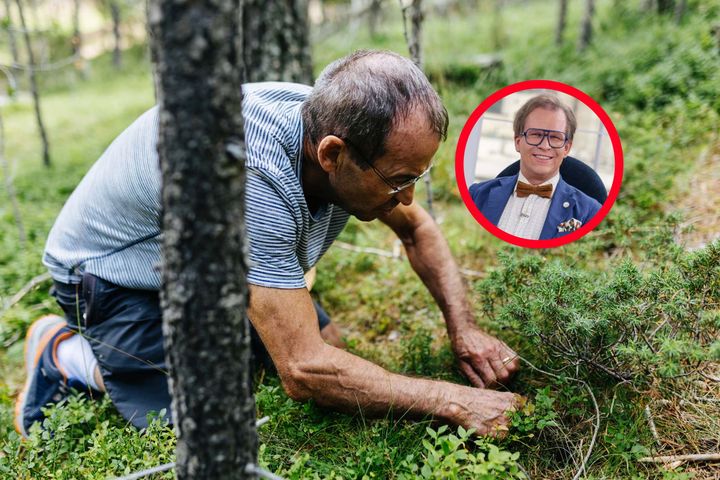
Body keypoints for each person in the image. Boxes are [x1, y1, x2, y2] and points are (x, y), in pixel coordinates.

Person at [15, 50, 520, 439]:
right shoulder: (250, 178)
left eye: (416, 176)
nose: (406, 196)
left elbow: (418, 230)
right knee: (210, 416)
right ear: (332, 154)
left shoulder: (338, 123)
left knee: (334, 349)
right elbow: (304, 372)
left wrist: (465, 330)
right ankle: (64, 354)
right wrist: (457, 403)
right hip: (112, 276)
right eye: (398, 180)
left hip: (204, 264)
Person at [469, 94, 602, 240]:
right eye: (536, 135)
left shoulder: (591, 213)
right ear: (518, 142)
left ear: (567, 148)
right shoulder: (477, 195)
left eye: (555, 137)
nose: (545, 146)